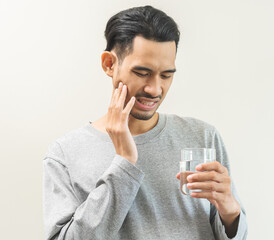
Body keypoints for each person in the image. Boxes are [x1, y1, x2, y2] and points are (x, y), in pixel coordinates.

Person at [43, 5, 247, 240]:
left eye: (166, 75)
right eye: (142, 73)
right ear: (109, 64)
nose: (155, 89)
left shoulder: (203, 136)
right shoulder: (65, 154)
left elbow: (233, 235)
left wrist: (230, 210)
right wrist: (124, 163)